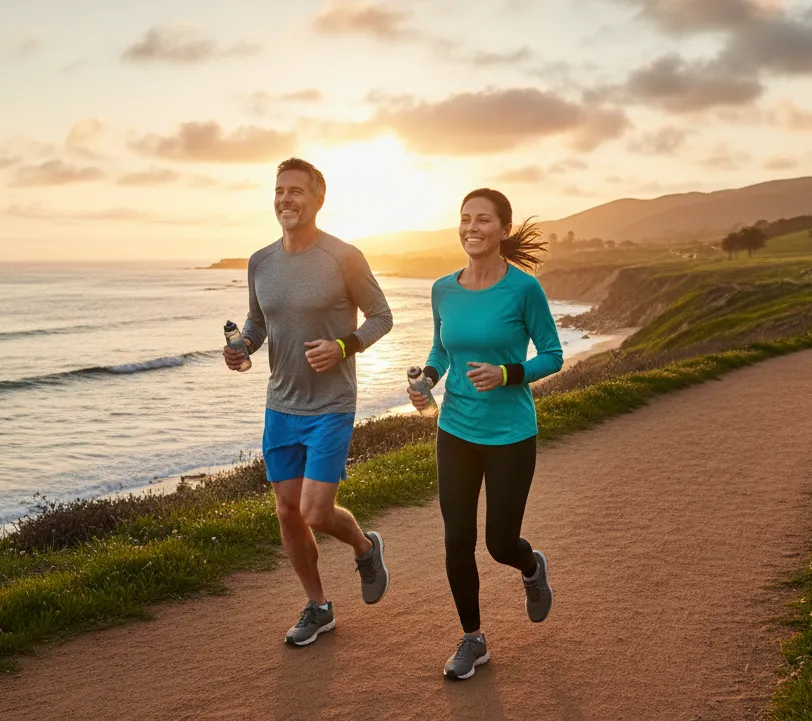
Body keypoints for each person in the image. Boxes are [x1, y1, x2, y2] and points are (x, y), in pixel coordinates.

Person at [225, 157, 393, 647]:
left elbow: (381, 316)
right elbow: (257, 323)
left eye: (296, 191)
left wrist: (344, 345)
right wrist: (243, 348)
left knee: (317, 511)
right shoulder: (260, 261)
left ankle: (365, 546)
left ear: (318, 199)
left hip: (332, 404)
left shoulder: (344, 257)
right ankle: (319, 606)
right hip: (281, 404)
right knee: (286, 512)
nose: (285, 199)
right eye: (279, 191)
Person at [408, 188, 562, 680]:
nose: (472, 228)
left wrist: (508, 373)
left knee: (499, 543)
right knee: (457, 540)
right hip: (455, 429)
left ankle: (531, 567)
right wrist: (426, 380)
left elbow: (553, 354)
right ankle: (473, 639)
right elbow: (441, 350)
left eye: (483, 220)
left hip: (511, 434)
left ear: (503, 230)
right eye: (465, 219)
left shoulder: (523, 289)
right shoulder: (442, 289)